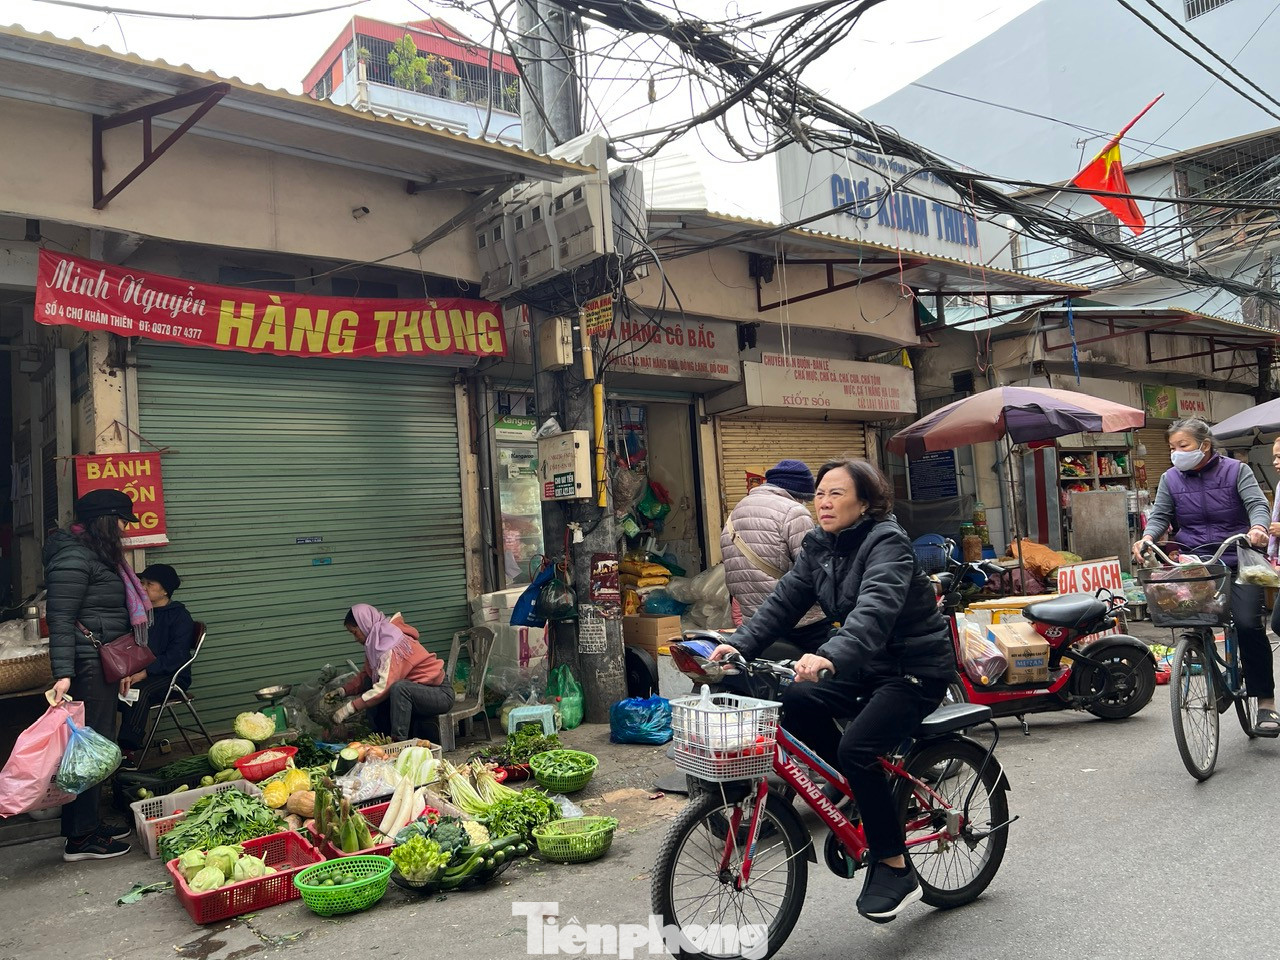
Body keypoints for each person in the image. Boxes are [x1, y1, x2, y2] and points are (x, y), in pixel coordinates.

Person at [710, 459, 954, 923]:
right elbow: (782, 605)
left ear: (865, 502)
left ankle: (894, 865)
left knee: (859, 747)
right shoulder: (820, 545)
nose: (824, 502)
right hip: (866, 665)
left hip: (913, 668)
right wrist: (733, 645)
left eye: (837, 494)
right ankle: (861, 792)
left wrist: (831, 654)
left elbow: (874, 609)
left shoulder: (888, 543)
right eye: (820, 493)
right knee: (795, 702)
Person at [1132, 418, 1276, 734]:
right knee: (1194, 622)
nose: (1176, 453)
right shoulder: (1170, 479)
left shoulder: (1237, 472)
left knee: (1249, 624)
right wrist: (1147, 538)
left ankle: (1265, 703)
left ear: (1204, 445)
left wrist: (1257, 528)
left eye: (1182, 446)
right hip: (1195, 563)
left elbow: (1256, 505)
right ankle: (1217, 679)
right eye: (1172, 448)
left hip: (1237, 559)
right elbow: (1160, 517)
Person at [45, 489, 152, 861]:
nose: (125, 529)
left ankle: (85, 824)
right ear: (107, 520)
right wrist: (63, 674)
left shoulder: (98, 555)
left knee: (94, 746)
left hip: (101, 662)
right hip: (86, 666)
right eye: (123, 521)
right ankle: (81, 837)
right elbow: (59, 618)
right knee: (90, 750)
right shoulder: (74, 557)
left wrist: (123, 665)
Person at [721, 459, 824, 651]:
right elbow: (814, 569)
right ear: (798, 493)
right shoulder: (794, 511)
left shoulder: (735, 513)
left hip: (754, 623)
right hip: (799, 622)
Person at [331, 604, 456, 743]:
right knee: (371, 683)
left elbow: (383, 687)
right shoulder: (376, 643)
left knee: (399, 688)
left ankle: (398, 743)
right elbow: (367, 674)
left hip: (439, 693)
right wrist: (343, 690)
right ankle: (381, 736)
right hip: (418, 692)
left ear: (364, 624)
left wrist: (349, 708)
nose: (355, 638)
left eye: (355, 632)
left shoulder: (390, 644)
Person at [116, 564, 197, 765]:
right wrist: (127, 671)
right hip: (141, 672)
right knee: (115, 687)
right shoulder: (139, 614)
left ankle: (127, 752)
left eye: (149, 584)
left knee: (139, 692)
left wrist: (145, 672)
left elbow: (177, 656)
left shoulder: (179, 616)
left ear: (165, 591)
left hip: (172, 675)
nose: (142, 588)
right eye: (141, 583)